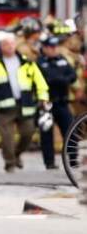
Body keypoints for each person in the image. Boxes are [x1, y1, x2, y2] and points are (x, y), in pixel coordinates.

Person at [0, 34, 49, 172]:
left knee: (28, 133)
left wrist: (43, 98)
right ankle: (10, 163)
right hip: (4, 107)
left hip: (25, 105)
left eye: (12, 44)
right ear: (1, 47)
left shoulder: (27, 62)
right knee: (7, 138)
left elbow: (39, 82)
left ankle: (16, 154)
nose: (10, 47)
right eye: (6, 44)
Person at [37, 36, 76, 170]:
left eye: (55, 47)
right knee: (46, 135)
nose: (54, 50)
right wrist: (60, 79)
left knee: (70, 131)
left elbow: (72, 75)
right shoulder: (39, 62)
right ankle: (49, 163)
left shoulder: (62, 60)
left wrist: (60, 79)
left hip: (62, 102)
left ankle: (73, 160)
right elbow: (45, 79)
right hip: (47, 104)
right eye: (51, 47)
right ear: (45, 48)